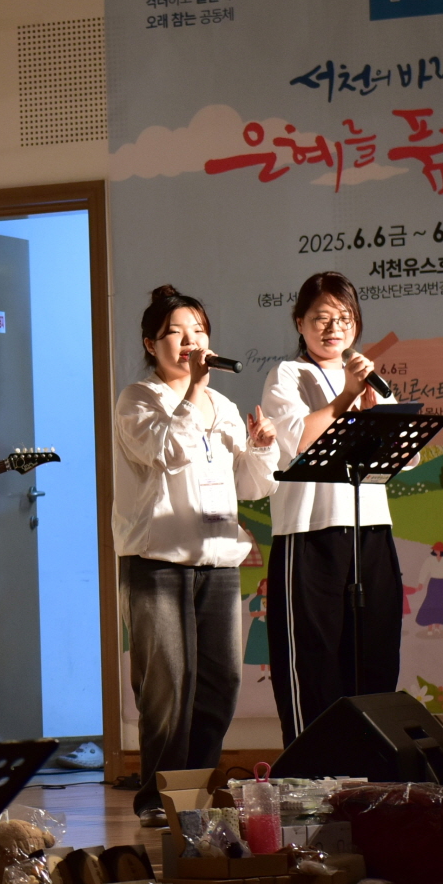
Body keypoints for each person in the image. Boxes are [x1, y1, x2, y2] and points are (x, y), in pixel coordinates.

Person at [113, 285, 277, 819]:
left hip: (218, 559)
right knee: (166, 686)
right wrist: (192, 393)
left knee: (221, 682)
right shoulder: (138, 399)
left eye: (199, 332)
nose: (191, 343)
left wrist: (261, 448)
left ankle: (194, 794)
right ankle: (158, 798)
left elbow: (250, 486)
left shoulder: (222, 405)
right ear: (150, 343)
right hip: (158, 560)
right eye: (177, 334)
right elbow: (165, 450)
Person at [259, 271, 403, 745]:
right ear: (299, 322)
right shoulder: (286, 374)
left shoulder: (370, 377)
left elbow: (405, 453)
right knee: (314, 661)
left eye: (344, 318)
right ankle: (314, 769)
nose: (333, 328)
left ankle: (372, 769)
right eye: (321, 318)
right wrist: (346, 398)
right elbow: (297, 439)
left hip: (370, 528)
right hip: (310, 532)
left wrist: (373, 406)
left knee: (375, 654)